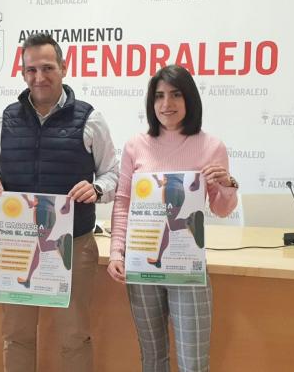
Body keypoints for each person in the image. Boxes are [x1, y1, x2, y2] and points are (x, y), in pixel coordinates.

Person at [0, 33, 119, 372]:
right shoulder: (6, 118)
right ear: (23, 72)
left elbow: (113, 174)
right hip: (18, 246)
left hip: (73, 245)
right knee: (17, 335)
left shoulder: (90, 119)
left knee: (73, 336)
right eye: (31, 70)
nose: (39, 77)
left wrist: (98, 189)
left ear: (64, 68)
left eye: (47, 68)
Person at [107, 64, 238, 372]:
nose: (166, 104)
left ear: (189, 99)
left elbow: (221, 209)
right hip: (142, 266)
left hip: (187, 268)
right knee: (153, 360)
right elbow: (124, 202)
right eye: (159, 96)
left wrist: (227, 186)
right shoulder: (135, 145)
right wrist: (116, 251)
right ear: (151, 104)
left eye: (176, 95)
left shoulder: (211, 146)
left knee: (193, 363)